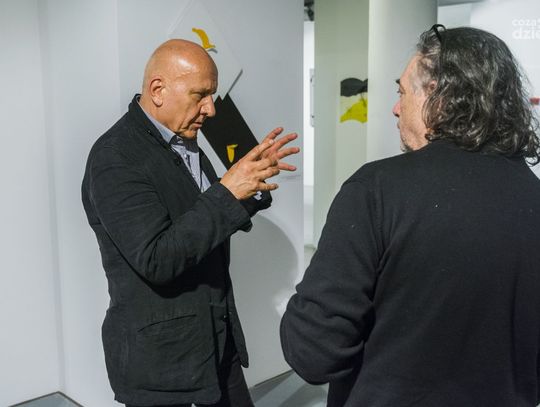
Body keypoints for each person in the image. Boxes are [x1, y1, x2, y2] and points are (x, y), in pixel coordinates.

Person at [280, 25, 540, 407]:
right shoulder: (533, 196)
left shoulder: (376, 190)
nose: (395, 108)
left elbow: (314, 352)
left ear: (438, 96)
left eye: (402, 92)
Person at [82, 39, 298, 407]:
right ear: (158, 90)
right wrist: (228, 192)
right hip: (160, 357)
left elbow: (202, 218)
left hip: (215, 335)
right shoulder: (114, 158)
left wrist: (252, 185)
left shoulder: (184, 139)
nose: (210, 109)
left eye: (212, 95)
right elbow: (157, 259)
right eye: (200, 95)